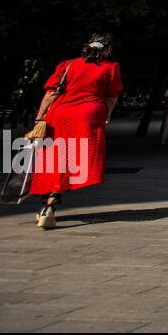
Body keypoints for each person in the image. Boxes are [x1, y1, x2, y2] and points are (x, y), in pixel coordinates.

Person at [26, 33, 124, 230]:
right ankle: (53, 200)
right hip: (88, 116)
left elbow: (51, 93)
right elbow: (111, 97)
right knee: (74, 159)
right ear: (107, 49)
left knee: (53, 159)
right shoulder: (110, 68)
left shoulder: (68, 65)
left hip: (60, 113)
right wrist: (107, 116)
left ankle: (48, 202)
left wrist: (39, 117)